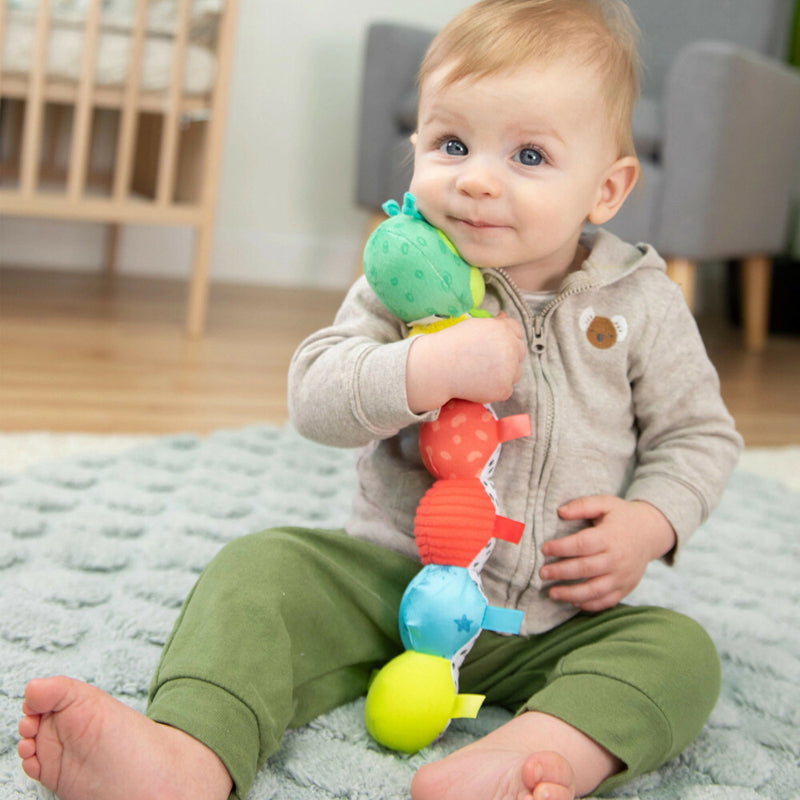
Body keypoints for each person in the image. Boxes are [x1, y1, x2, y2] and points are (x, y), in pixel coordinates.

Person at [17, 1, 743, 799]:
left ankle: (535, 758)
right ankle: (185, 755)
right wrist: (422, 367)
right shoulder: (405, 279)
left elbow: (699, 437)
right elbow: (315, 394)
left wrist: (651, 524)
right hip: (386, 585)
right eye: (452, 144)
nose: (473, 177)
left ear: (606, 190)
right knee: (262, 571)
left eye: (529, 154)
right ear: (418, 145)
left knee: (679, 653)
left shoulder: (641, 303)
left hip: (554, 616)